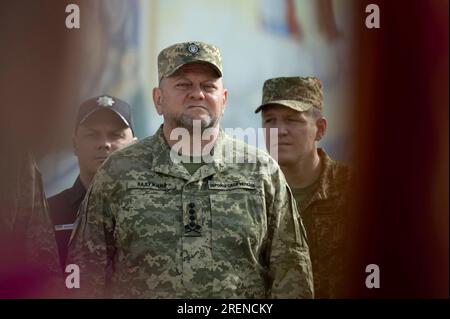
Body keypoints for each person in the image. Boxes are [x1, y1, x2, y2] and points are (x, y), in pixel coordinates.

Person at [67, 41, 314, 298]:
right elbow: (85, 274)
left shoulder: (261, 172)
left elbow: (292, 273)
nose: (197, 94)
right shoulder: (117, 172)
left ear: (224, 99)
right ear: (158, 99)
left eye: (208, 86)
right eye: (183, 85)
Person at [256, 76, 351, 298]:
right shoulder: (248, 195)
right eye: (270, 121)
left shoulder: (356, 191)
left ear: (320, 129)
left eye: (292, 120)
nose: (279, 130)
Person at [48, 96, 136, 271]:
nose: (104, 144)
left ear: (135, 147)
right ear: (75, 144)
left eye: (116, 135)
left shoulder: (156, 211)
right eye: (92, 135)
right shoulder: (47, 213)